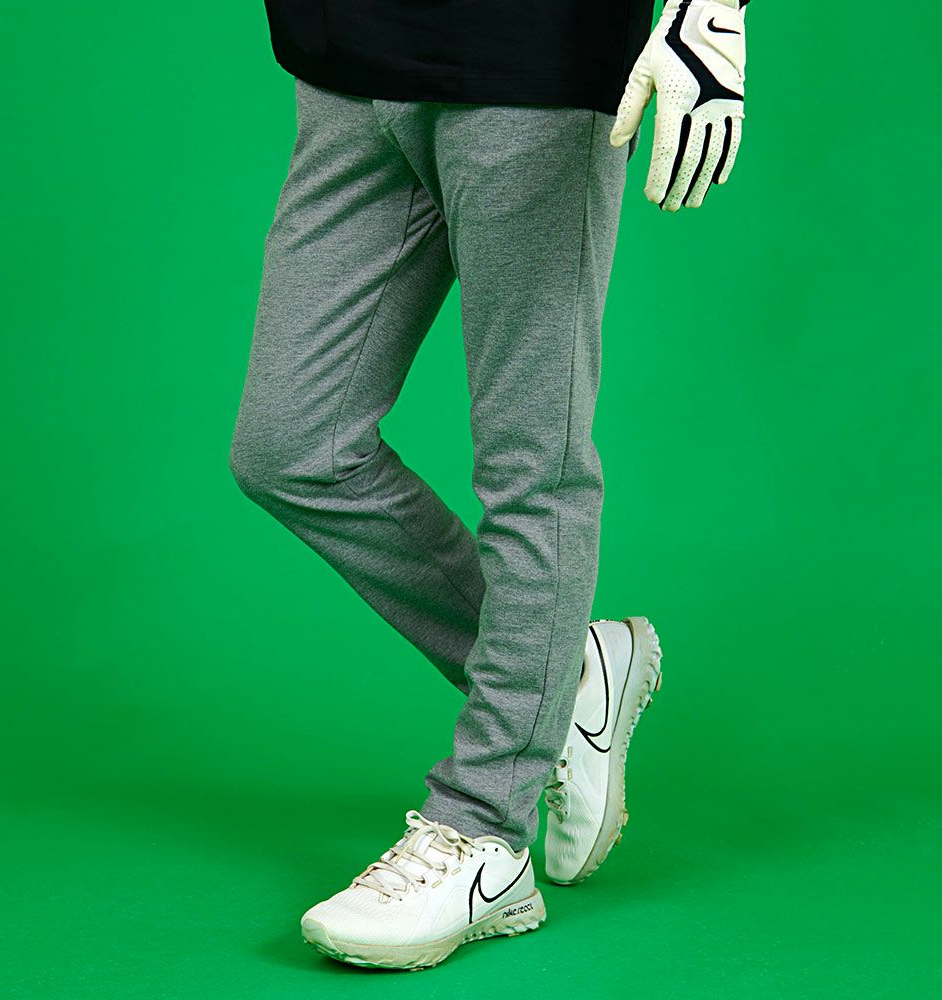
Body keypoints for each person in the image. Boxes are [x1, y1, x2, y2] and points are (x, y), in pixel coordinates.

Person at [229, 0, 749, 970]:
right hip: (350, 58)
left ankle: (484, 832)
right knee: (290, 448)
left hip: (533, 63)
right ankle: (569, 676)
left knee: (531, 462)